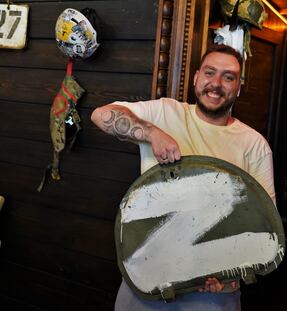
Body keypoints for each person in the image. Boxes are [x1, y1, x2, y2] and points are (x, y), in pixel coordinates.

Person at [91, 44, 275, 310]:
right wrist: (153, 133)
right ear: (196, 77)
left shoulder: (254, 145)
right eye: (210, 73)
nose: (216, 84)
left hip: (212, 293)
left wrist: (226, 271)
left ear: (238, 86)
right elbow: (101, 114)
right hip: (146, 281)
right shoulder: (166, 113)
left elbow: (264, 224)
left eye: (228, 77)